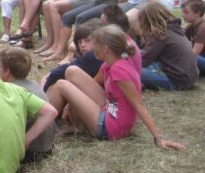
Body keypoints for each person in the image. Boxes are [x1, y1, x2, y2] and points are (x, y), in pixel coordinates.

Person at [46, 25, 184, 150]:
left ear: (105, 48)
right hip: (109, 107)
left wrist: (158, 138)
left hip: (111, 126)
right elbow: (86, 86)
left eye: (96, 44)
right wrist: (72, 103)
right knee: (72, 71)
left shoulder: (119, 71)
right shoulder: (111, 62)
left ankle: (42, 125)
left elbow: (139, 105)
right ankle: (60, 120)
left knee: (61, 85)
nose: (92, 47)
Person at [0, 48, 55, 161]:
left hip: (31, 151)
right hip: (47, 146)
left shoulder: (12, 91)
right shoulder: (32, 84)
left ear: (7, 71)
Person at [137, 1, 198, 90]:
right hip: (187, 77)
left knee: (129, 71)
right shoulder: (174, 29)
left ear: (148, 20)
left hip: (176, 81)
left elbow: (143, 60)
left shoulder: (161, 35)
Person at [181, 0, 205, 74]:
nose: (183, 15)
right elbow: (179, 39)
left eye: (186, 12)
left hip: (201, 59)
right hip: (200, 59)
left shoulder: (202, 28)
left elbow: (194, 54)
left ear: (197, 13)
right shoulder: (191, 26)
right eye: (183, 12)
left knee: (189, 56)